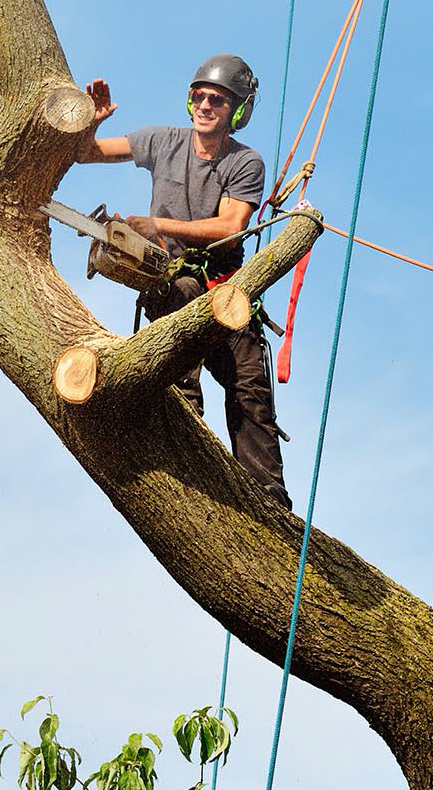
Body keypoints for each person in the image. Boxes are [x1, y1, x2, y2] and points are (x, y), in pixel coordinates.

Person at [77, 54, 290, 509]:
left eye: (217, 99)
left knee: (250, 388)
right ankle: (182, 469)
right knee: (179, 378)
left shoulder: (245, 162)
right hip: (171, 287)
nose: (206, 105)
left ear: (237, 110)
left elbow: (231, 225)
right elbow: (86, 154)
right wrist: (90, 125)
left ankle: (269, 502)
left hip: (226, 292)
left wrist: (160, 225)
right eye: (199, 96)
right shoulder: (160, 141)